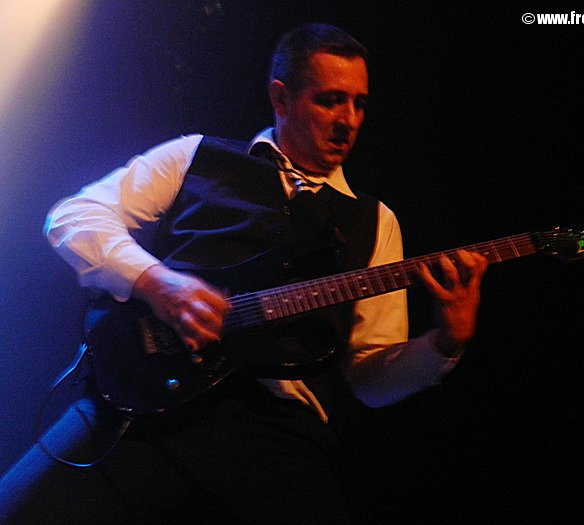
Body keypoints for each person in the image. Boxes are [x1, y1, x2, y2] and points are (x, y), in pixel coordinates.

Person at [0, 23, 487, 524]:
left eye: (359, 104)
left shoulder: (375, 221)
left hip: (276, 431)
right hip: (142, 396)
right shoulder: (197, 156)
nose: (349, 120)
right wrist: (157, 283)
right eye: (330, 101)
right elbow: (74, 216)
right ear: (281, 97)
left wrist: (443, 344)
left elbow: (368, 380)